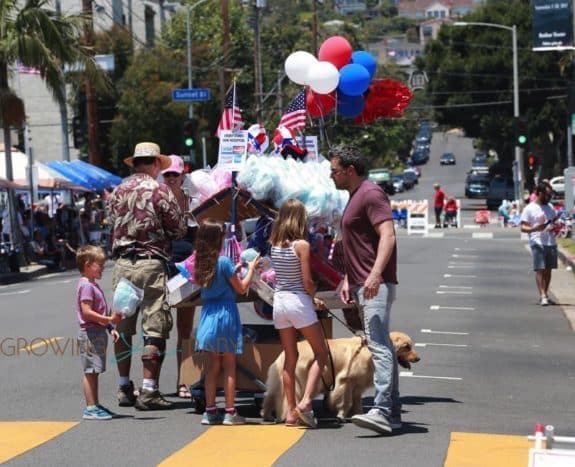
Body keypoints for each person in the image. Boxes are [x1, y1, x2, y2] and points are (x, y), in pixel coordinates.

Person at [108, 142, 186, 410]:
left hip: (121, 265)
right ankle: (150, 390)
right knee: (155, 327)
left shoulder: (117, 191)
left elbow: (111, 225)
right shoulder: (160, 190)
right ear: (154, 163)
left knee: (122, 328)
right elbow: (178, 230)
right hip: (151, 265)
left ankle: (123, 386)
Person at [329, 145, 401, 435]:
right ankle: (392, 411)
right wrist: (348, 278)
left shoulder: (370, 194)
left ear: (349, 170)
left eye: (334, 171)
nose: (331, 176)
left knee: (379, 347)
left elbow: (388, 235)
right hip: (362, 283)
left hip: (375, 285)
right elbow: (357, 245)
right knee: (382, 346)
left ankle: (382, 410)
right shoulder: (355, 196)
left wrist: (373, 275)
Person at [193, 218, 260, 425]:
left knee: (213, 367)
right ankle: (230, 412)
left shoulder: (201, 262)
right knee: (229, 365)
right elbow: (241, 288)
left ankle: (211, 411)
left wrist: (235, 267)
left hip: (208, 316)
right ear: (218, 239)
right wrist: (251, 269)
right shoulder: (223, 261)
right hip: (225, 316)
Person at [269, 199, 328, 428]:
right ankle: (306, 402)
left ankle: (291, 413)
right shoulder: (302, 245)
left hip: (279, 303)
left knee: (290, 358)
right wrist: (314, 296)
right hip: (298, 302)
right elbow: (307, 281)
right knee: (321, 353)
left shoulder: (274, 243)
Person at [160, 155, 195, 399]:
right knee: (158, 327)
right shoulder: (158, 201)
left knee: (185, 329)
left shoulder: (194, 202)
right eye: (167, 175)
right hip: (164, 267)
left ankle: (184, 381)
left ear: (183, 176)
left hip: (188, 270)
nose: (171, 178)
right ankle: (150, 382)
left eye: (175, 174)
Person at [75, 245, 122, 420]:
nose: (102, 268)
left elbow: (99, 312)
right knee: (90, 371)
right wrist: (109, 320)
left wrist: (110, 328)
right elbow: (86, 312)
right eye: (100, 265)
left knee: (94, 370)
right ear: (88, 265)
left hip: (97, 331)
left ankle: (95, 403)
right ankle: (90, 407)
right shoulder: (86, 286)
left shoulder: (92, 284)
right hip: (90, 333)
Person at [520, 181, 558, 306]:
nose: (549, 197)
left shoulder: (550, 207)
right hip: (537, 241)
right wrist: (535, 229)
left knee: (548, 269)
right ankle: (542, 295)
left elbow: (553, 221)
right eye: (547, 195)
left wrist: (555, 226)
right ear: (540, 193)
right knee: (540, 269)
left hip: (550, 241)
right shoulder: (529, 208)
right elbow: (523, 227)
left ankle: (546, 294)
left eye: (550, 195)